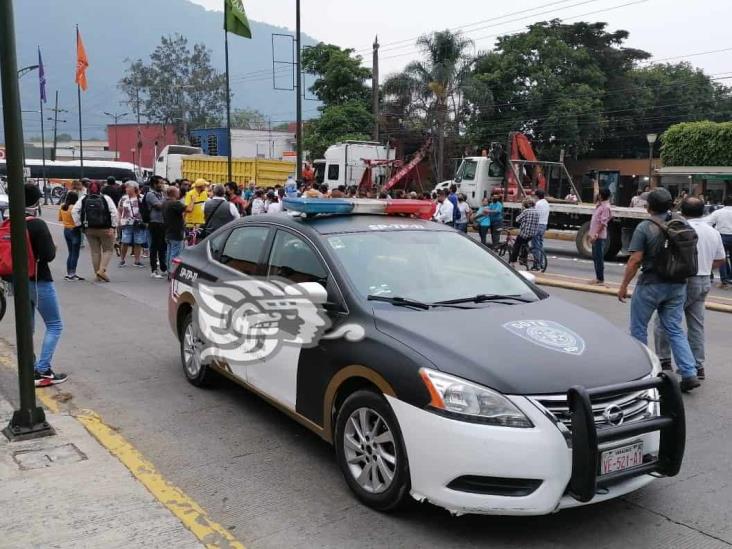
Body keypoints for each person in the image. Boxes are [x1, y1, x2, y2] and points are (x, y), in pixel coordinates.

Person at [617, 188, 700, 392]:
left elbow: (635, 260)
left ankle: (642, 374)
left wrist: (624, 286)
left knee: (638, 328)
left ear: (648, 207)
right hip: (678, 284)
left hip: (651, 285)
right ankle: (689, 373)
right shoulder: (682, 223)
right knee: (674, 329)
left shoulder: (645, 227)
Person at [653, 197, 725, 380]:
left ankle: (665, 360)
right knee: (696, 325)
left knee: (665, 321)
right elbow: (720, 259)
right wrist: (706, 266)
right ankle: (698, 365)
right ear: (704, 211)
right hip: (704, 281)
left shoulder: (680, 228)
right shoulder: (712, 232)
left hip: (684, 281)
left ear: (682, 211)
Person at [22, 184, 68, 386]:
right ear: (35, 201)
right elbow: (48, 254)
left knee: (26, 328)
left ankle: (29, 370)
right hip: (39, 280)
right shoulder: (37, 224)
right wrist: (54, 248)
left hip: (19, 281)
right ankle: (43, 370)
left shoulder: (9, 221)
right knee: (55, 325)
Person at [72, 180, 118, 282]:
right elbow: (114, 212)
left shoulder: (84, 198)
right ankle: (102, 270)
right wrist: (113, 226)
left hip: (89, 229)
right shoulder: (106, 198)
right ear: (100, 188)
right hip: (105, 228)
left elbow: (74, 211)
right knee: (108, 250)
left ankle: (97, 275)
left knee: (95, 252)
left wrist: (79, 225)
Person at [704, 195, 732, 288]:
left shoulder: (718, 212)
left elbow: (707, 222)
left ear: (723, 203)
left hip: (722, 236)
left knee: (721, 258)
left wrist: (714, 230)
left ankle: (724, 281)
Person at [117, 181, 145, 268]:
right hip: (126, 223)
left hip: (138, 222)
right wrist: (119, 220)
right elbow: (119, 210)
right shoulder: (123, 198)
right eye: (126, 187)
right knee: (125, 241)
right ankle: (122, 260)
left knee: (138, 242)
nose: (127, 189)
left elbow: (146, 210)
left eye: (129, 187)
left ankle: (137, 261)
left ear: (135, 188)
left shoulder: (141, 198)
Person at [588, 188, 613, 286]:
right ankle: (598, 278)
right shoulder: (601, 205)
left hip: (598, 236)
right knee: (595, 257)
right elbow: (610, 217)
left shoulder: (605, 207)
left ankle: (600, 279)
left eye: (599, 195)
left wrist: (596, 234)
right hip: (595, 234)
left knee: (598, 257)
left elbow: (603, 223)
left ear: (601, 196)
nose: (598, 196)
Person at [58, 191, 84, 281]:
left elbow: (60, 218)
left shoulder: (62, 206)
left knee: (70, 252)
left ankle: (69, 272)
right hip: (75, 230)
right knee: (75, 253)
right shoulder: (75, 208)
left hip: (66, 230)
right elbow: (79, 219)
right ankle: (72, 273)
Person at [146, 176, 168, 279]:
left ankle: (163, 267)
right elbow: (159, 206)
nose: (162, 185)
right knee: (155, 246)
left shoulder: (161, 194)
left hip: (163, 222)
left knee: (163, 246)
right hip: (155, 223)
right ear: (154, 184)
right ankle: (154, 269)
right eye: (160, 183)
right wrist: (167, 198)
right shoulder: (151, 194)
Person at [509, 199, 540, 267]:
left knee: (516, 246)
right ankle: (523, 260)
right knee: (525, 244)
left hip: (524, 233)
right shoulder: (537, 212)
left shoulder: (526, 211)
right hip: (533, 233)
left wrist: (521, 211)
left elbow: (517, 219)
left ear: (527, 205)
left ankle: (513, 261)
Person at [163, 186, 186, 274]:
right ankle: (173, 272)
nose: (179, 193)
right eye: (177, 191)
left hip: (168, 232)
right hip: (176, 233)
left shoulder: (165, 202)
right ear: (174, 193)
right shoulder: (175, 203)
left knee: (169, 253)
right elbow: (189, 209)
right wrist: (193, 200)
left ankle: (169, 270)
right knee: (175, 254)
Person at [533, 189, 550, 259]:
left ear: (537, 196)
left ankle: (536, 262)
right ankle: (541, 261)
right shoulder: (546, 203)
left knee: (535, 245)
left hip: (537, 225)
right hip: (544, 224)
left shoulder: (538, 204)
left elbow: (535, 214)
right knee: (540, 244)